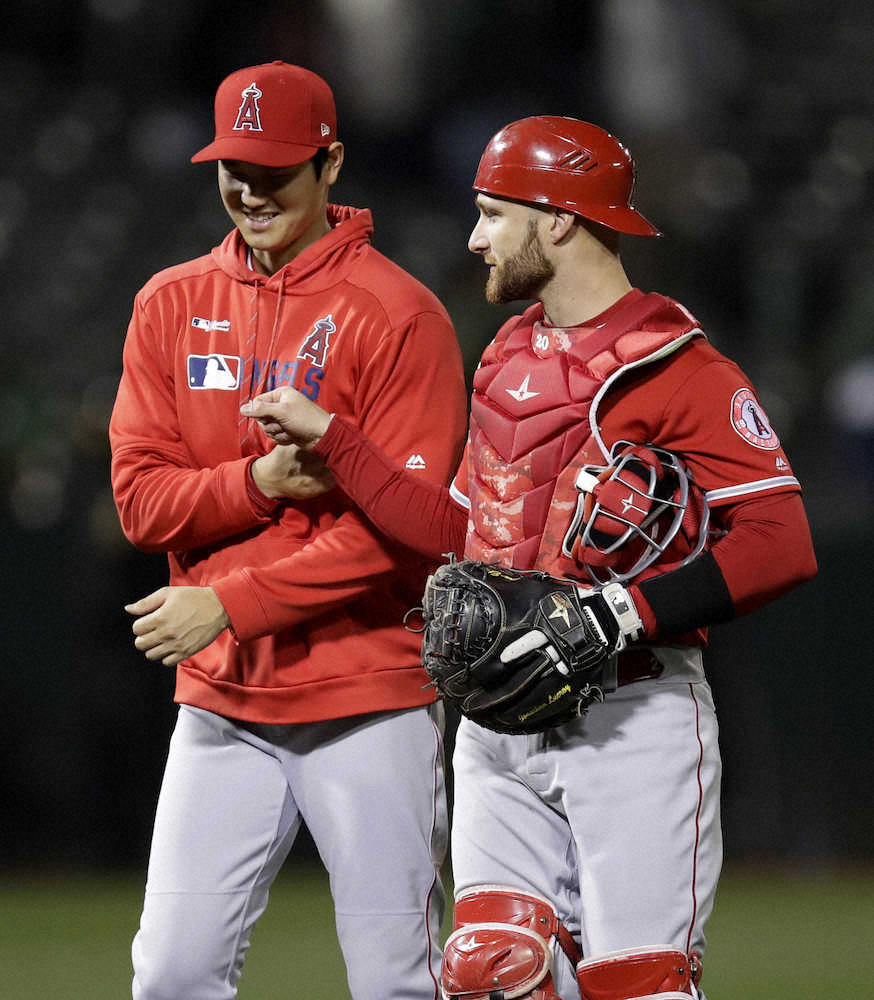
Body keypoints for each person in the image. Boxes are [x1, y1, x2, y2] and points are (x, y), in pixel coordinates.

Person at [240, 116, 818, 1000]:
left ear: (558, 220)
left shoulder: (679, 366)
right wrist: (340, 444)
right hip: (500, 718)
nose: (474, 238)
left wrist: (620, 609)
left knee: (638, 985)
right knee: (487, 973)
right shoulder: (511, 351)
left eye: (492, 214)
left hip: (633, 713)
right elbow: (463, 526)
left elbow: (782, 543)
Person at [109, 61, 468, 1000]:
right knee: (172, 976)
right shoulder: (171, 303)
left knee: (399, 982)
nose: (250, 189)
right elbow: (142, 503)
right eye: (234, 165)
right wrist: (262, 482)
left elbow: (404, 534)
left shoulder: (400, 316)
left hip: (368, 695)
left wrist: (228, 601)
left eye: (275, 168)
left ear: (331, 163)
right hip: (225, 702)